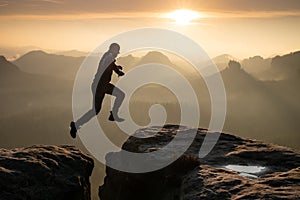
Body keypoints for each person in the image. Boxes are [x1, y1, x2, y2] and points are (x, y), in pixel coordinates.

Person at [70, 43, 125, 138]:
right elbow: (109, 64)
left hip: (102, 85)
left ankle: (113, 115)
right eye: (116, 51)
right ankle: (76, 125)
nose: (117, 53)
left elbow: (110, 64)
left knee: (119, 96)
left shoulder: (108, 56)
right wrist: (118, 71)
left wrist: (117, 68)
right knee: (96, 110)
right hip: (99, 86)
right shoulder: (109, 56)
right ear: (112, 50)